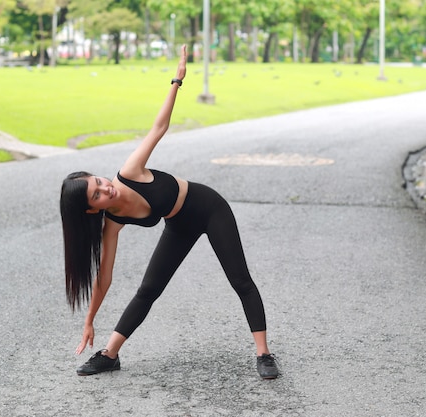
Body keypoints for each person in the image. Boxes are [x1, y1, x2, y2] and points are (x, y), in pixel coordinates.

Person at [60, 45, 279, 380]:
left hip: (209, 207)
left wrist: (176, 80)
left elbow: (158, 128)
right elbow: (104, 279)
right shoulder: (112, 224)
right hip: (179, 225)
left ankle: (264, 354)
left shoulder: (129, 172)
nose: (107, 188)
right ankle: (110, 354)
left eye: (99, 181)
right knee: (148, 290)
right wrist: (89, 320)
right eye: (98, 194)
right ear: (92, 210)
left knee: (240, 281)